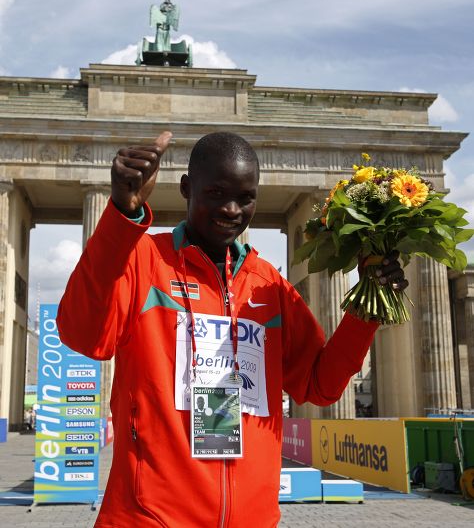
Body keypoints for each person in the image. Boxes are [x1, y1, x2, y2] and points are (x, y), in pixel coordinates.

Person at [57, 131, 407, 527]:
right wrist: (122, 214)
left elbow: (319, 385)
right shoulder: (143, 261)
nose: (231, 209)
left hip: (252, 518)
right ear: (187, 188)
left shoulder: (268, 285)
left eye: (245, 197)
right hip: (149, 517)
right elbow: (82, 334)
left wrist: (367, 304)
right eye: (216, 192)